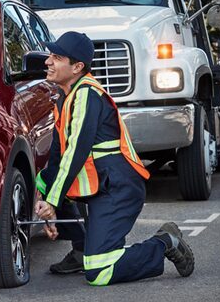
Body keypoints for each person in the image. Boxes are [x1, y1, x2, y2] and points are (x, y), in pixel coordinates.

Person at [33, 31, 195, 286]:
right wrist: (46, 201)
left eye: (57, 57)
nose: (48, 62)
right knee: (46, 178)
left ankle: (165, 242)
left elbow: (76, 151)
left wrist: (54, 201)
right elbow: (57, 156)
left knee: (99, 271)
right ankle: (82, 248)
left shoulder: (87, 94)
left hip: (118, 188)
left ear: (77, 67)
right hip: (101, 186)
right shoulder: (65, 98)